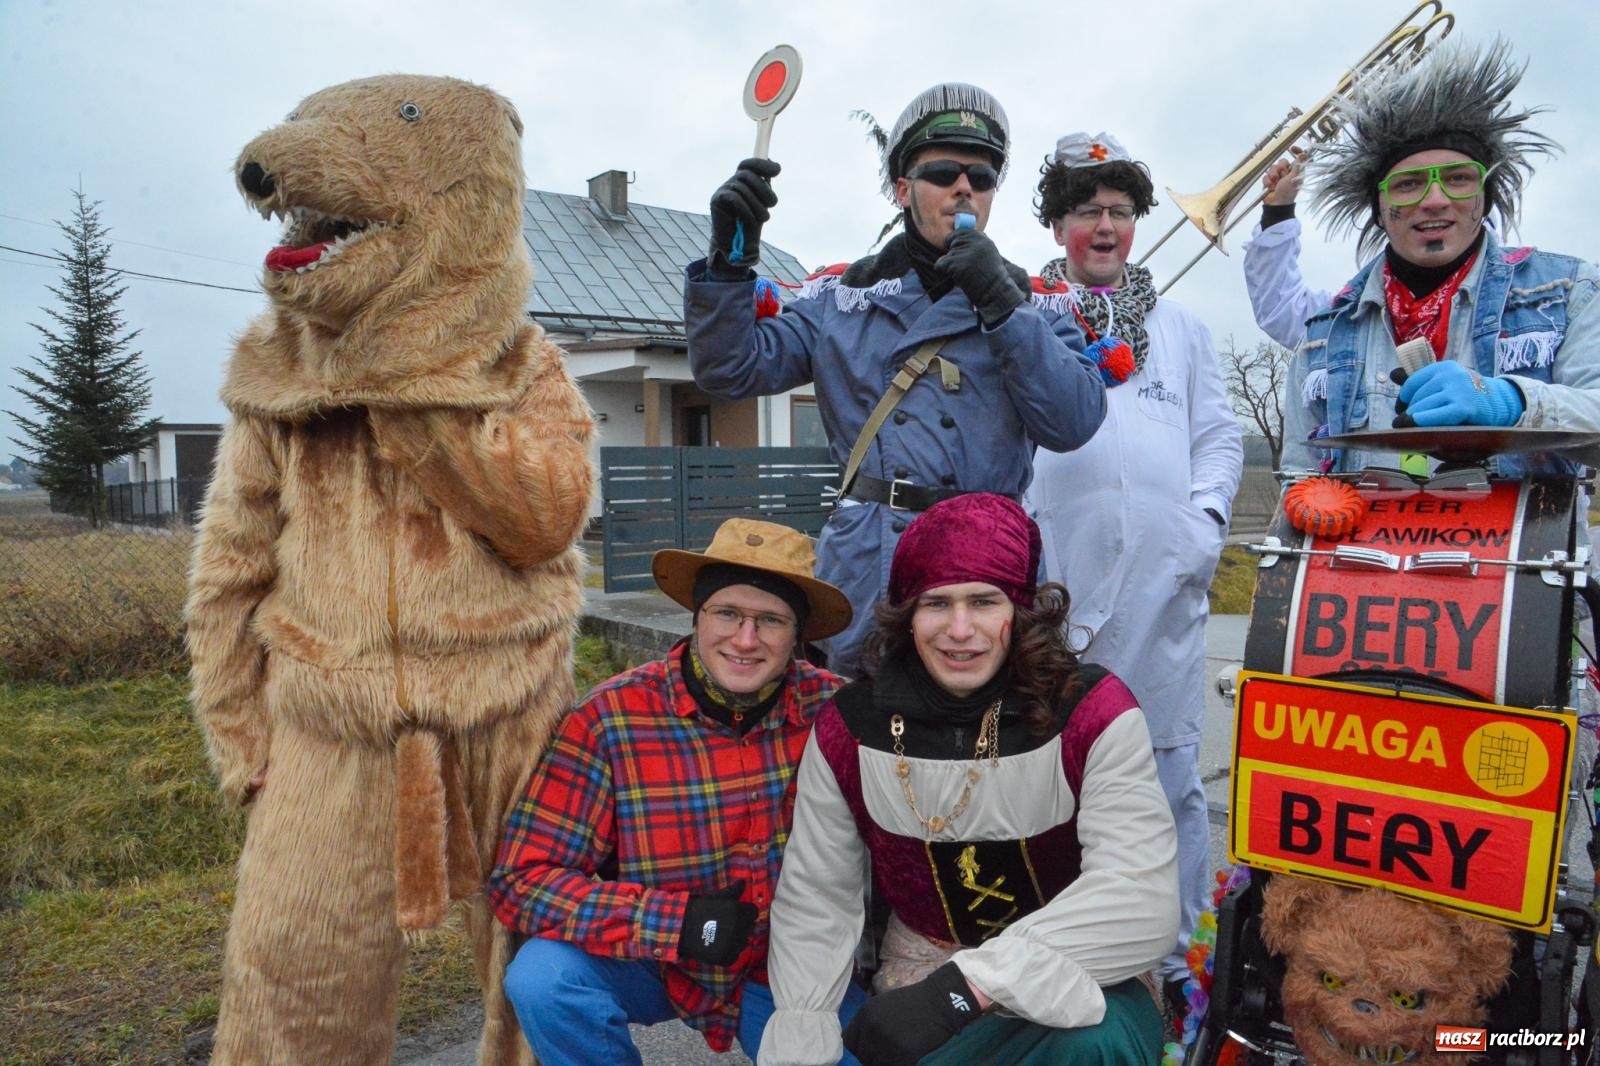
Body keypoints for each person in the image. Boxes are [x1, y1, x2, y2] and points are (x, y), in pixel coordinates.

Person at [684, 83, 1107, 676]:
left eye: (982, 178)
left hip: (983, 561)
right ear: (905, 189)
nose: (965, 187)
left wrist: (1000, 305)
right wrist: (728, 267)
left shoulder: (1038, 304)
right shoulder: (843, 294)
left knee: (986, 737)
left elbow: (1072, 421)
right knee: (859, 730)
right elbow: (730, 370)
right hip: (867, 560)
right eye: (943, 172)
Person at [757, 493, 1179, 1066]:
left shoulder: (1092, 713)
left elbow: (1139, 894)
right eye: (937, 603)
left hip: (1079, 970)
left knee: (1091, 1044)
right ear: (908, 616)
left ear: (1022, 609)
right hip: (921, 974)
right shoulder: (852, 726)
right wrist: (804, 1029)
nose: (960, 629)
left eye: (984, 601)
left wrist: (966, 990)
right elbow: (818, 895)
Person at [486, 518, 865, 1066]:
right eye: (727, 613)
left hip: (793, 970)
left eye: (771, 620)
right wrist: (675, 922)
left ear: (798, 636)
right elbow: (523, 882)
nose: (745, 639)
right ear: (697, 616)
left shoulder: (837, 711)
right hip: (659, 960)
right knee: (544, 978)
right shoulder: (611, 719)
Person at [1025, 131, 1243, 1023]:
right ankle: (1065, 947)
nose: (1105, 226)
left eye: (1119, 211)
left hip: (1165, 595)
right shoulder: (1027, 322)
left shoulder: (1185, 331)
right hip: (1054, 588)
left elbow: (1219, 439)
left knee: (1173, 783)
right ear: (1059, 224)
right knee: (1054, 780)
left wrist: (1203, 528)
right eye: (1087, 211)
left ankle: (1184, 962)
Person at [1242, 38, 1600, 477]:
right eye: (1409, 184)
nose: (1435, 201)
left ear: (1485, 197)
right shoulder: (1326, 330)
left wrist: (1512, 402)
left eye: (1458, 179)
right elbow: (1300, 470)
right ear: (1378, 208)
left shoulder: (1570, 291)